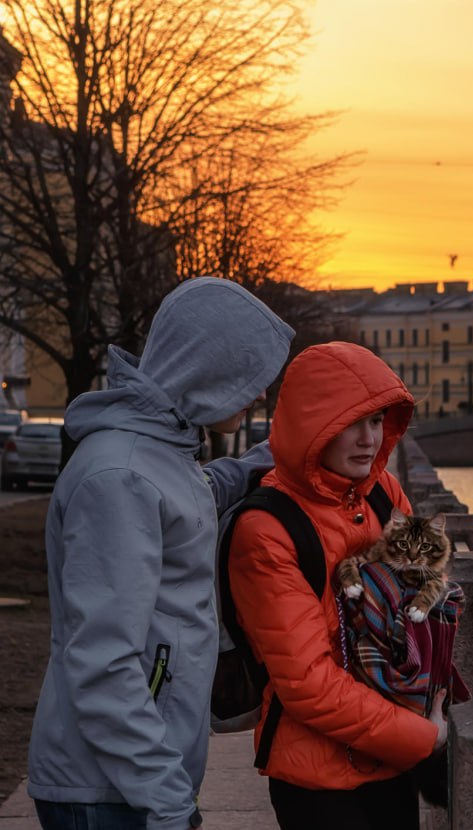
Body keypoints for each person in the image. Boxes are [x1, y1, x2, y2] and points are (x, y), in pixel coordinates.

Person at [27, 277, 296, 830]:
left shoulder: (157, 452)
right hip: (108, 790)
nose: (261, 394)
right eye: (248, 373)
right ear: (208, 368)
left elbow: (197, 494)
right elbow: (102, 662)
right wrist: (168, 800)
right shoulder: (120, 476)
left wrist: (280, 452)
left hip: (131, 779)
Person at [226, 342, 445, 830]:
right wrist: (423, 737)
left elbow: (417, 600)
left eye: (376, 421)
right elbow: (307, 684)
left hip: (391, 760)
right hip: (317, 781)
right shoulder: (266, 528)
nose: (369, 439)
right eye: (351, 423)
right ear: (312, 425)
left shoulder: (382, 493)